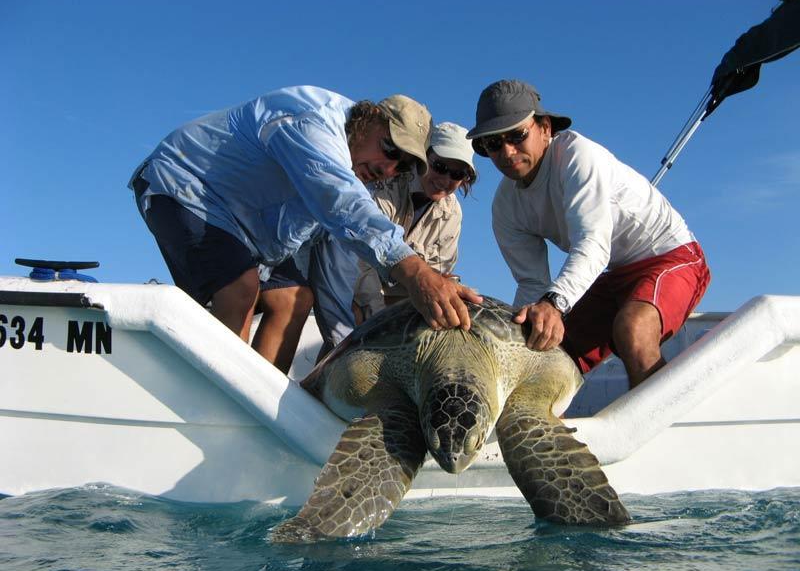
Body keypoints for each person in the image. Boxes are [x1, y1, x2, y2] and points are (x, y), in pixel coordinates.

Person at [129, 86, 481, 373]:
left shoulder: (359, 172)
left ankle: (258, 409)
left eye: (402, 166)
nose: (388, 168)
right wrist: (416, 272)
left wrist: (344, 346)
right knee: (240, 289)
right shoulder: (313, 123)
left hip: (247, 233)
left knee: (293, 298)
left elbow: (335, 268)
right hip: (183, 187)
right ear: (369, 118)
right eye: (389, 149)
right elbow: (343, 203)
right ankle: (215, 407)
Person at [467, 79, 710, 389]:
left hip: (673, 257)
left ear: (545, 127)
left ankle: (665, 433)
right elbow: (531, 282)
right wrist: (524, 338)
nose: (507, 151)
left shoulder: (576, 155)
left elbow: (593, 244)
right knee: (545, 352)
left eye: (517, 135)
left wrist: (554, 305)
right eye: (493, 144)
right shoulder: (505, 206)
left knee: (632, 330)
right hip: (612, 275)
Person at [353, 122, 476, 323]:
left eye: (456, 174)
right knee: (344, 326)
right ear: (423, 157)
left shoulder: (452, 213)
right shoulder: (387, 185)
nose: (445, 180)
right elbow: (360, 264)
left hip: (404, 300)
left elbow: (439, 275)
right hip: (354, 285)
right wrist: (377, 324)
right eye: (439, 167)